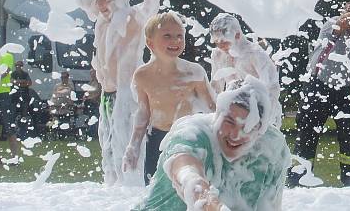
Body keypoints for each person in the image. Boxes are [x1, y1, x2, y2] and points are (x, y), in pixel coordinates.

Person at [39, 0, 167, 186]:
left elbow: (151, 5)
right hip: (108, 97)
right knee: (109, 151)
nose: (101, 1)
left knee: (129, 153)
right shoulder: (100, 18)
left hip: (129, 96)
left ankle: (133, 194)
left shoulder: (133, 18)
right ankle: (113, 196)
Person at [135, 76, 290, 211]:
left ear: (260, 130)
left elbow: (270, 206)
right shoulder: (193, 134)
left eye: (248, 127)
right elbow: (187, 173)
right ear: (218, 114)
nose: (235, 135)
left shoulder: (271, 146)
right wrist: (209, 202)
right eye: (229, 122)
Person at [287, 0, 350, 188]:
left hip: (345, 91)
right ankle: (297, 182)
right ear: (342, 10)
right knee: (306, 135)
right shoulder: (331, 25)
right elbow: (346, 22)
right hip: (318, 87)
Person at [123, 11, 215, 185]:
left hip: (187, 137)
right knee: (154, 187)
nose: (176, 41)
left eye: (180, 36)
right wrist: (133, 146)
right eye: (167, 36)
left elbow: (212, 108)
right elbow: (143, 113)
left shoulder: (193, 72)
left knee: (188, 184)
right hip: (157, 137)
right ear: (150, 43)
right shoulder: (143, 75)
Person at [209, 13, 281, 125]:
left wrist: (263, 120)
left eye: (224, 42)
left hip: (261, 112)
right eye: (216, 42)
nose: (221, 46)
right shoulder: (218, 55)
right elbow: (215, 87)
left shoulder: (255, 54)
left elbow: (273, 87)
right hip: (232, 113)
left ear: (237, 35)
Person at [10, 60, 33, 138]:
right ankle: (13, 133)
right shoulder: (13, 74)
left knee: (24, 115)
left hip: (24, 98)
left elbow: (29, 83)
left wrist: (18, 82)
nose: (18, 67)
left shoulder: (25, 74)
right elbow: (12, 81)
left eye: (19, 65)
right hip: (14, 98)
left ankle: (23, 133)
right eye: (17, 65)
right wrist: (23, 82)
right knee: (12, 115)